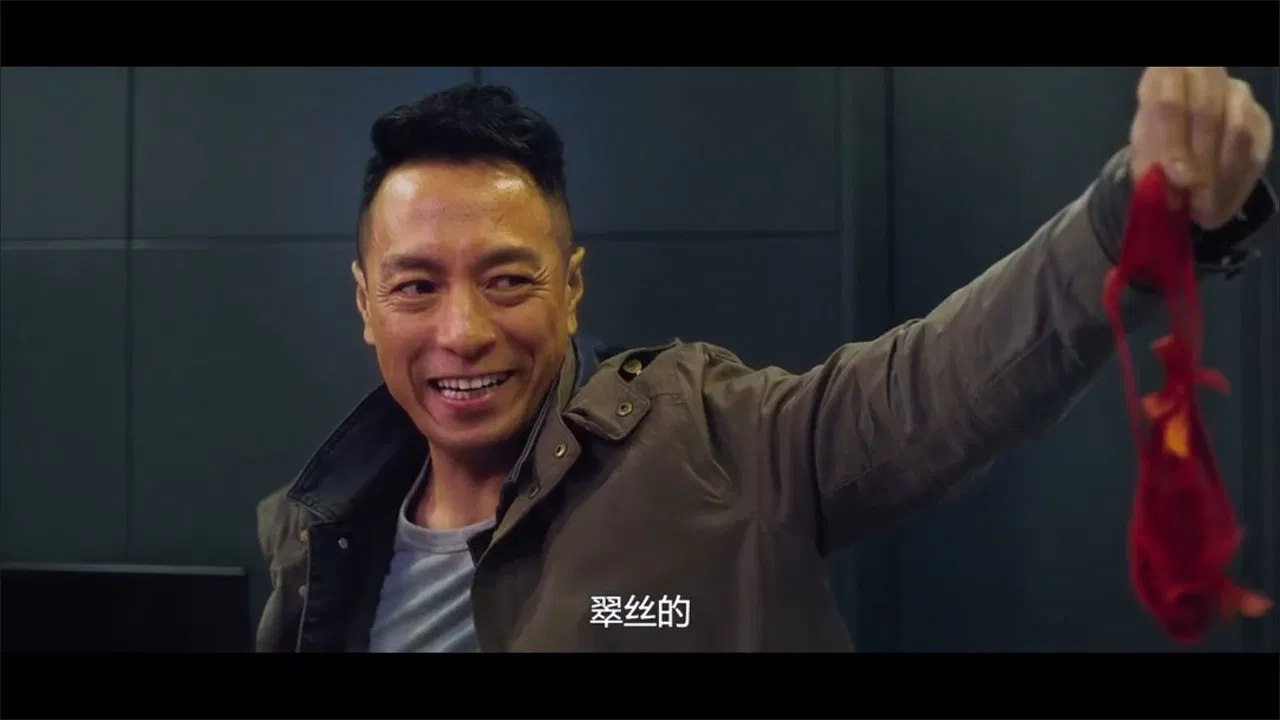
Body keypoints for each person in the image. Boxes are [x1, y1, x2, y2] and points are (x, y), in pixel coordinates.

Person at [255, 68, 1275, 652]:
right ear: (365, 304)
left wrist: (1134, 213)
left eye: (508, 279)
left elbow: (937, 383)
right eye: (416, 286)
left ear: (571, 286)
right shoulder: (316, 543)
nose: (463, 331)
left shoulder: (713, 442)